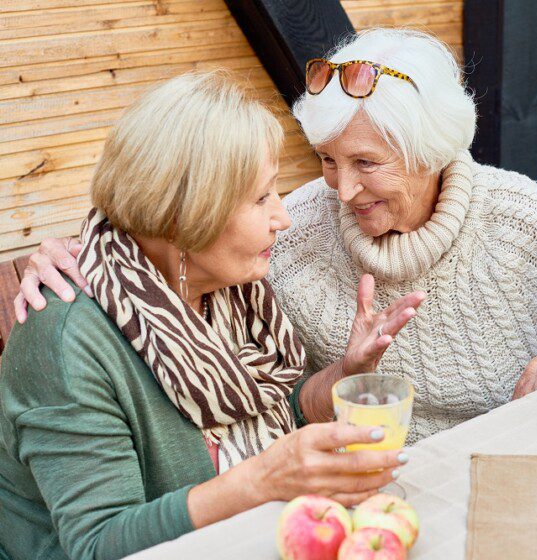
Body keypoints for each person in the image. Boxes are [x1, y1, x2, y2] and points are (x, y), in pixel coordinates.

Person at [15, 29, 537, 445]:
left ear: (430, 152)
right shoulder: (291, 229)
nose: (341, 191)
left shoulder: (518, 218)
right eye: (327, 161)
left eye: (367, 164)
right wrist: (70, 252)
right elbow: (176, 227)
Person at [0, 71, 423, 560]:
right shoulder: (67, 342)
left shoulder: (231, 294)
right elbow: (98, 546)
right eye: (261, 197)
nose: (282, 217)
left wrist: (345, 374)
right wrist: (264, 478)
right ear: (186, 214)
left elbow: (264, 416)